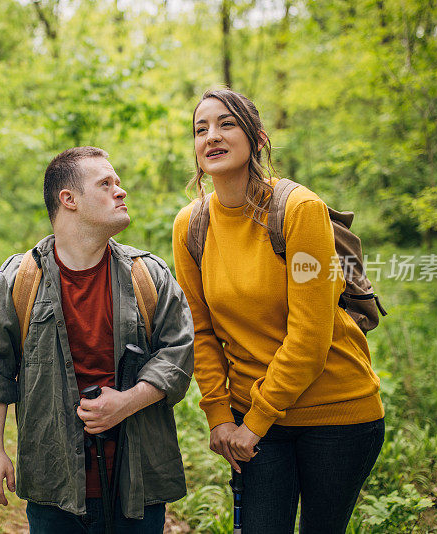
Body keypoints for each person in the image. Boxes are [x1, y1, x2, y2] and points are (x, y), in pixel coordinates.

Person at [172, 89, 385, 534]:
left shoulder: (298, 210)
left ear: (258, 138)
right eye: (201, 128)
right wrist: (219, 416)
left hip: (336, 413)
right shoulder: (190, 225)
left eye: (226, 124)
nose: (212, 135)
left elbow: (311, 335)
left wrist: (254, 424)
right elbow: (200, 330)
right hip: (253, 419)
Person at [0, 146, 194, 534]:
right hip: (53, 485)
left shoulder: (150, 275)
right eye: (106, 184)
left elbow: (178, 355)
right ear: (69, 199)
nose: (120, 191)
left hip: (139, 482)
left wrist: (126, 403)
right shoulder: (18, 280)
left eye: (119, 183)